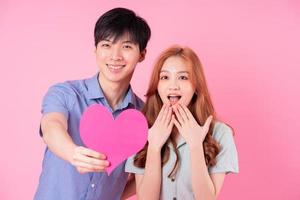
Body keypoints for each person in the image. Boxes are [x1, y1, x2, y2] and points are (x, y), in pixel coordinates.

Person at [34, 7, 151, 200]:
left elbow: (144, 172)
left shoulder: (144, 116)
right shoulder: (66, 93)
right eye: (106, 45)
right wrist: (73, 153)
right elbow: (52, 126)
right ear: (95, 49)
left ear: (142, 54)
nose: (115, 56)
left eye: (127, 46)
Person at [125, 45, 239, 200]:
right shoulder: (141, 130)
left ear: (196, 86)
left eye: (183, 77)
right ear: (157, 85)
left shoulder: (220, 133)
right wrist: (154, 146)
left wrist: (195, 145)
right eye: (165, 77)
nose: (173, 86)